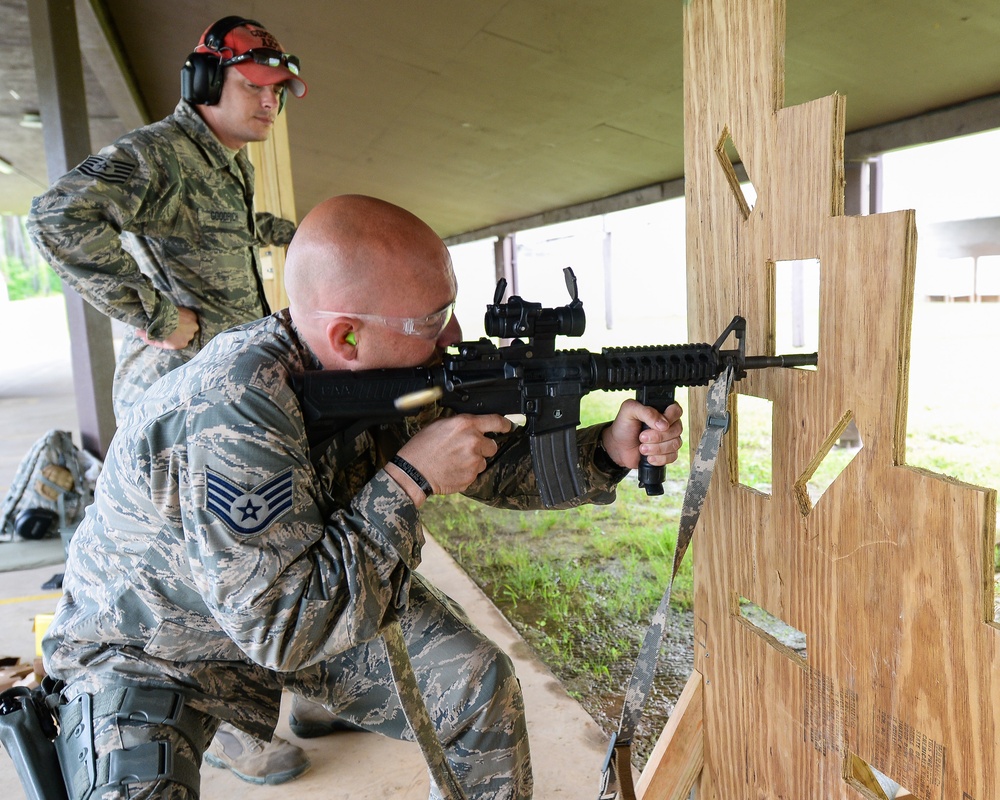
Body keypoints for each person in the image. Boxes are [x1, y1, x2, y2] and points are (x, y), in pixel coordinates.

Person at [41, 194, 686, 800]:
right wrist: (409, 480)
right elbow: (284, 628)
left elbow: (495, 466)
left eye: (451, 307)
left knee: (474, 687)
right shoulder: (232, 407)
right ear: (348, 337)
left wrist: (606, 450)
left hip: (303, 596)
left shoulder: (389, 372)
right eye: (432, 318)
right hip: (152, 648)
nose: (454, 332)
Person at [27, 16, 314, 784]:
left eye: (276, 93)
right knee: (198, 568)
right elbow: (57, 217)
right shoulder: (160, 151)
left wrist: (293, 231)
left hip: (232, 394)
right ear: (204, 83)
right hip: (178, 405)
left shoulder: (224, 160)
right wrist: (154, 314)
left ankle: (304, 683)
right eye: (255, 89)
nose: (268, 106)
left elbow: (210, 229)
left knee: (265, 540)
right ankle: (222, 727)